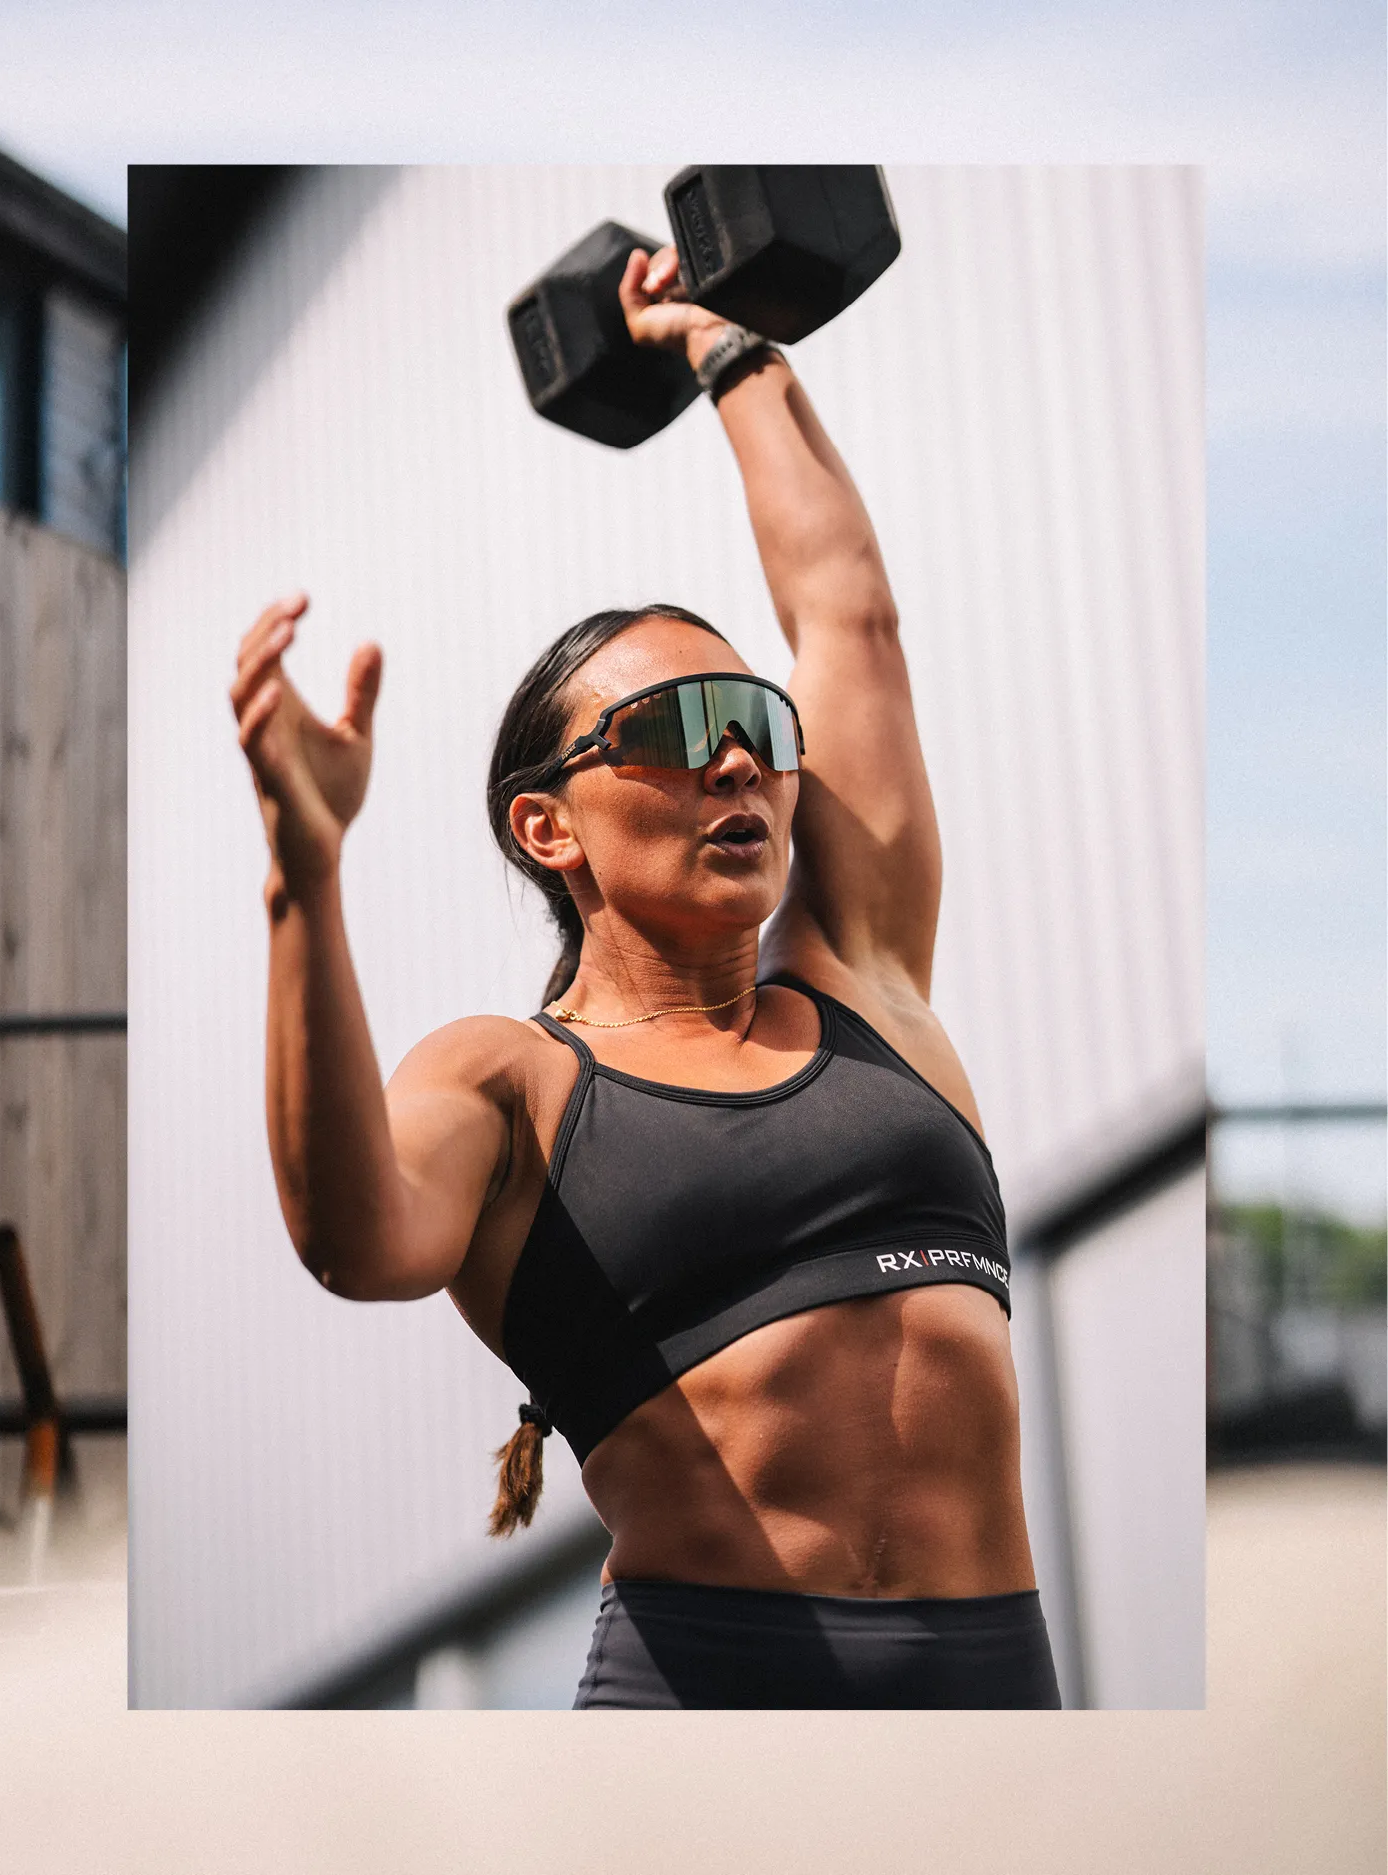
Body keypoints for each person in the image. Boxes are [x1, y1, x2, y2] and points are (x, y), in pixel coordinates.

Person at [229, 242, 1060, 1710]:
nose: (736, 753)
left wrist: (726, 353)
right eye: (672, 732)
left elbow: (845, 621)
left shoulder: (863, 980)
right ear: (545, 824)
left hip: (997, 1684)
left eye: (751, 720)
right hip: (702, 1700)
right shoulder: (509, 1081)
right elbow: (352, 1241)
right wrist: (306, 879)